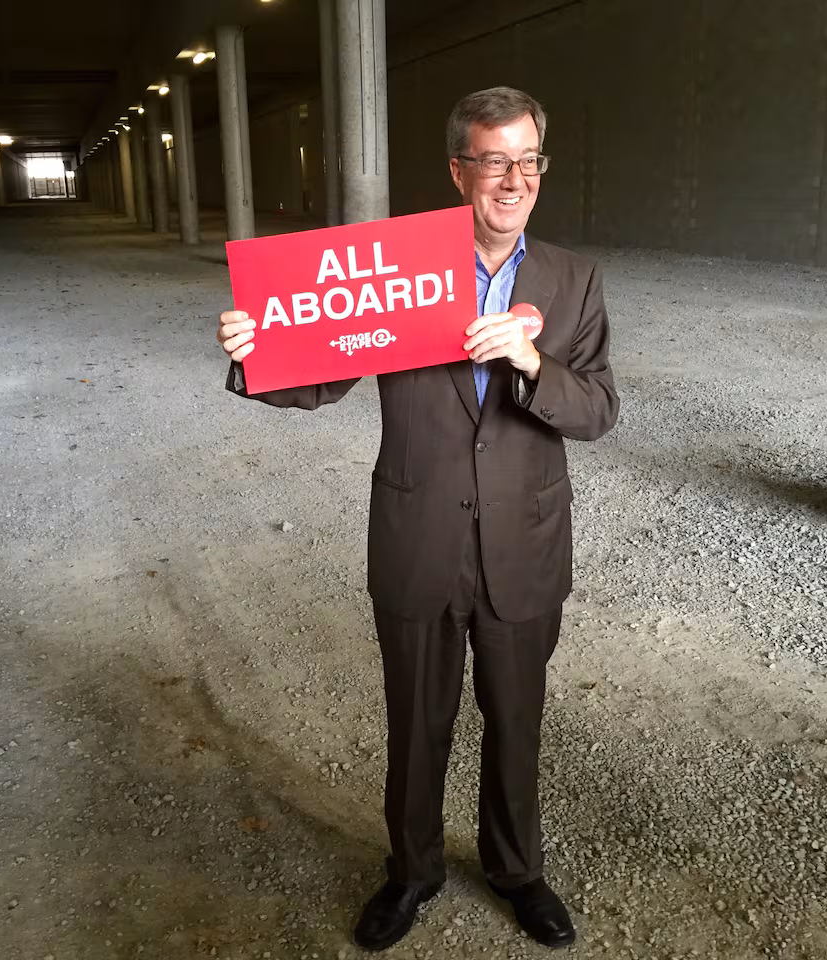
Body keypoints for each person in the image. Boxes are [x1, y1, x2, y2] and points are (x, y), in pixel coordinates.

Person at [216, 87, 619, 951]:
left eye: (527, 161)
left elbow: (597, 410)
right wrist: (259, 355)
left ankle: (517, 870)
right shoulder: (401, 271)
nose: (512, 180)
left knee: (517, 718)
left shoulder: (575, 279)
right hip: (419, 535)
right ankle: (413, 872)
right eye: (492, 161)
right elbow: (318, 378)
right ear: (457, 171)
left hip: (525, 541)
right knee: (417, 720)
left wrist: (532, 361)